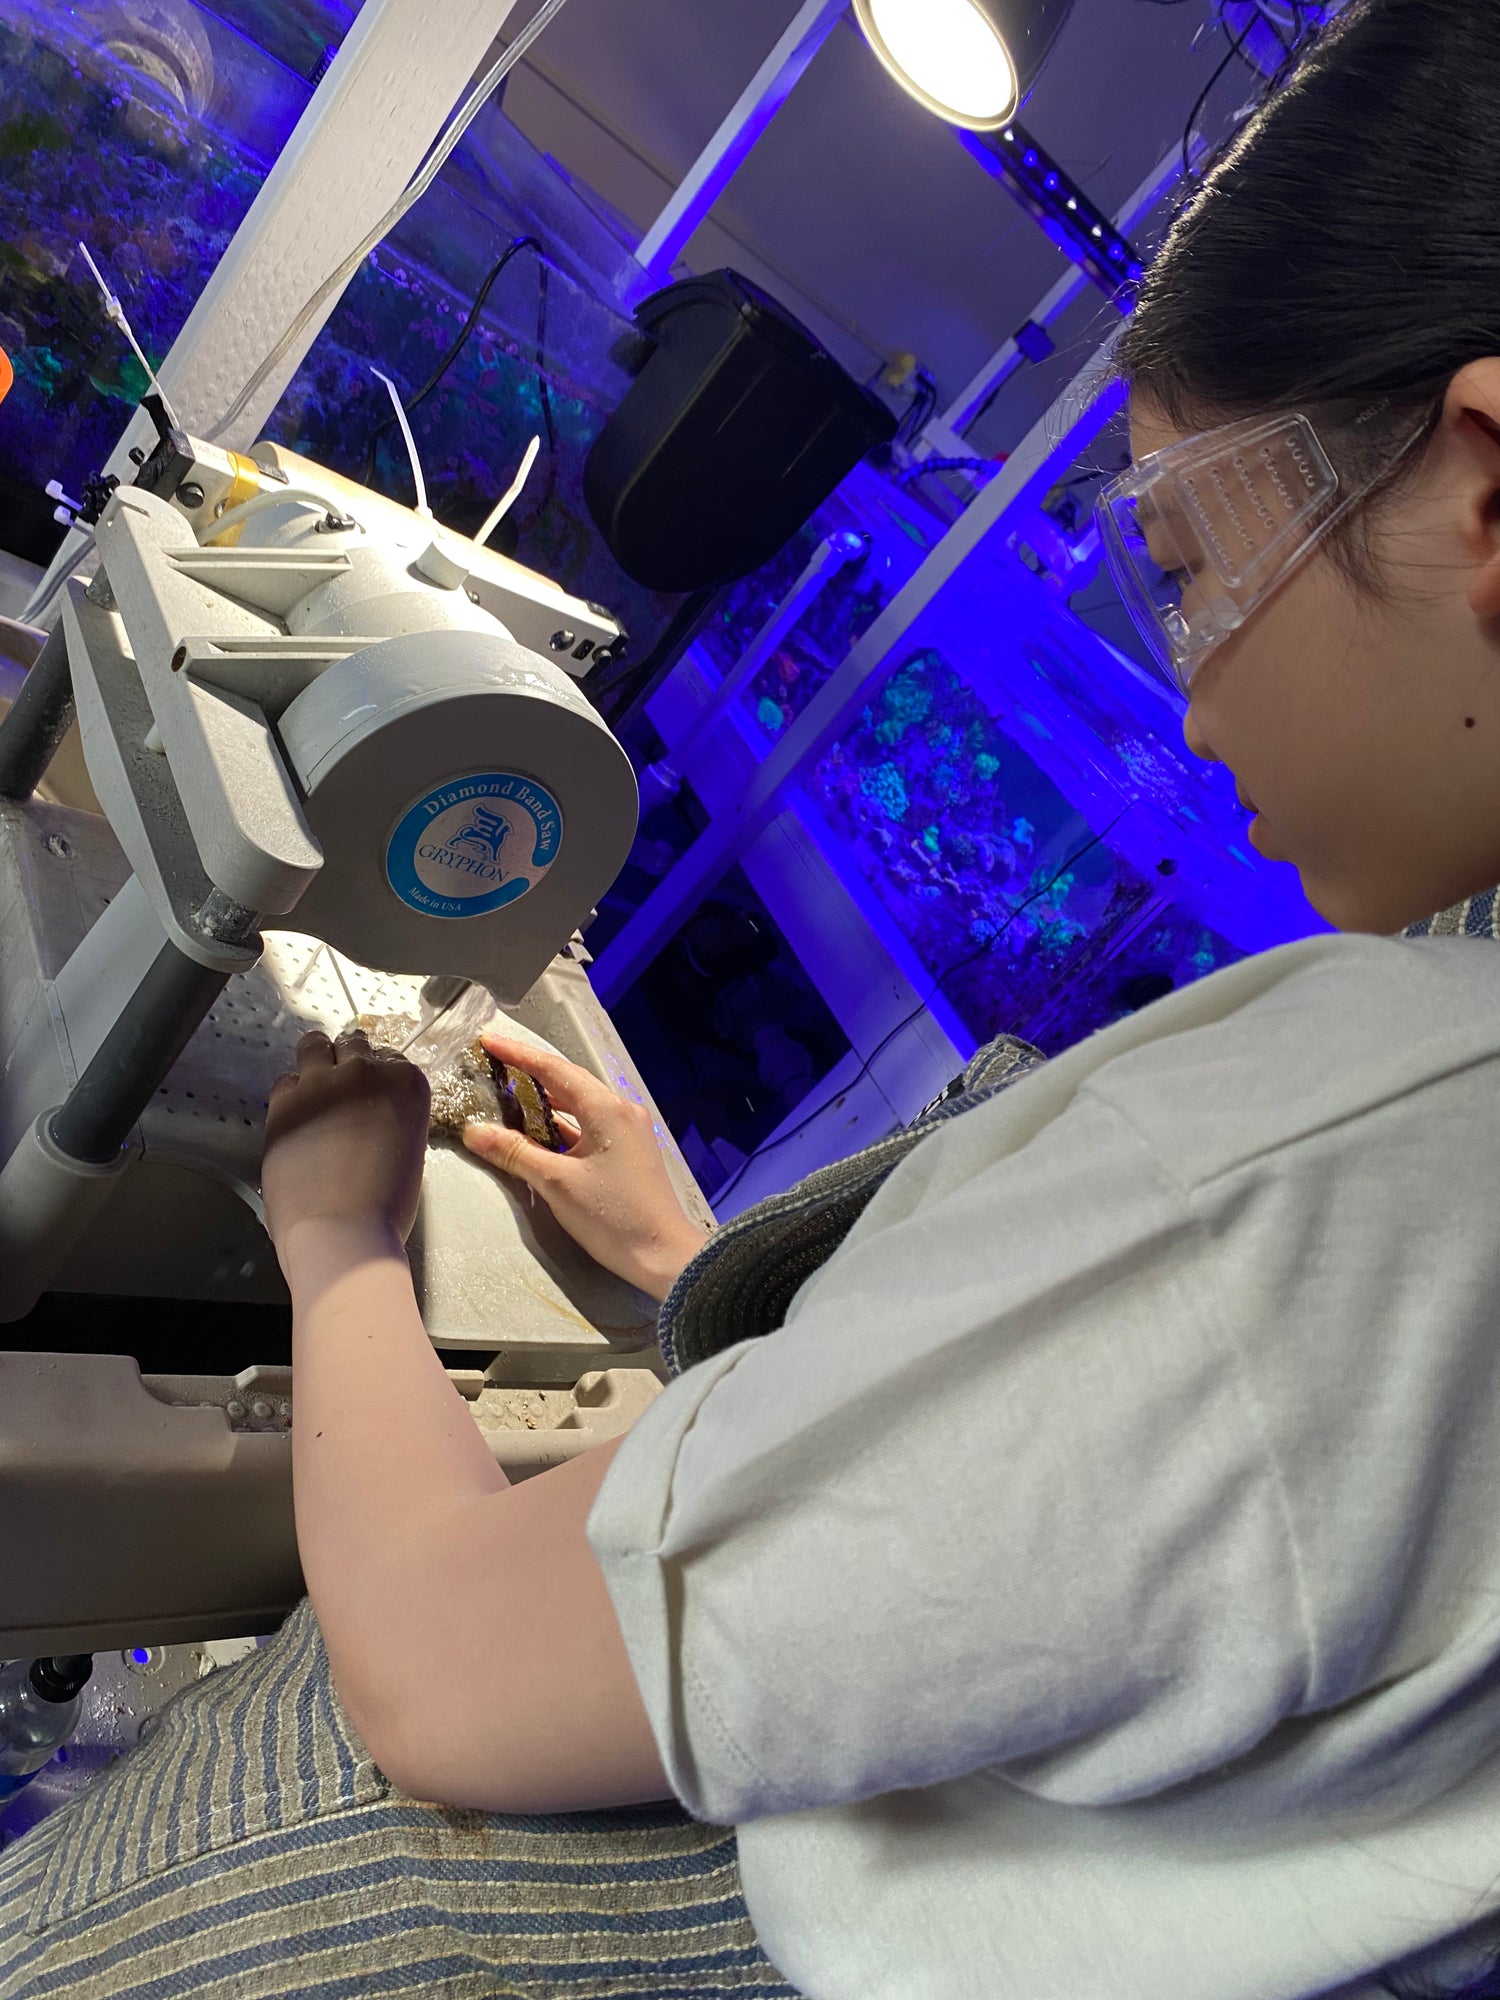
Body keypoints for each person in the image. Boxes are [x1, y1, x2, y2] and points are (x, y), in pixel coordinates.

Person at [6, 0, 1500, 1993]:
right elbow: (1142, 1550)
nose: (1193, 683)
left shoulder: (1372, 1142)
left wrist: (338, 1240)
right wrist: (693, 1262)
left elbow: (449, 1670)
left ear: (1479, 495)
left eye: (1182, 558)